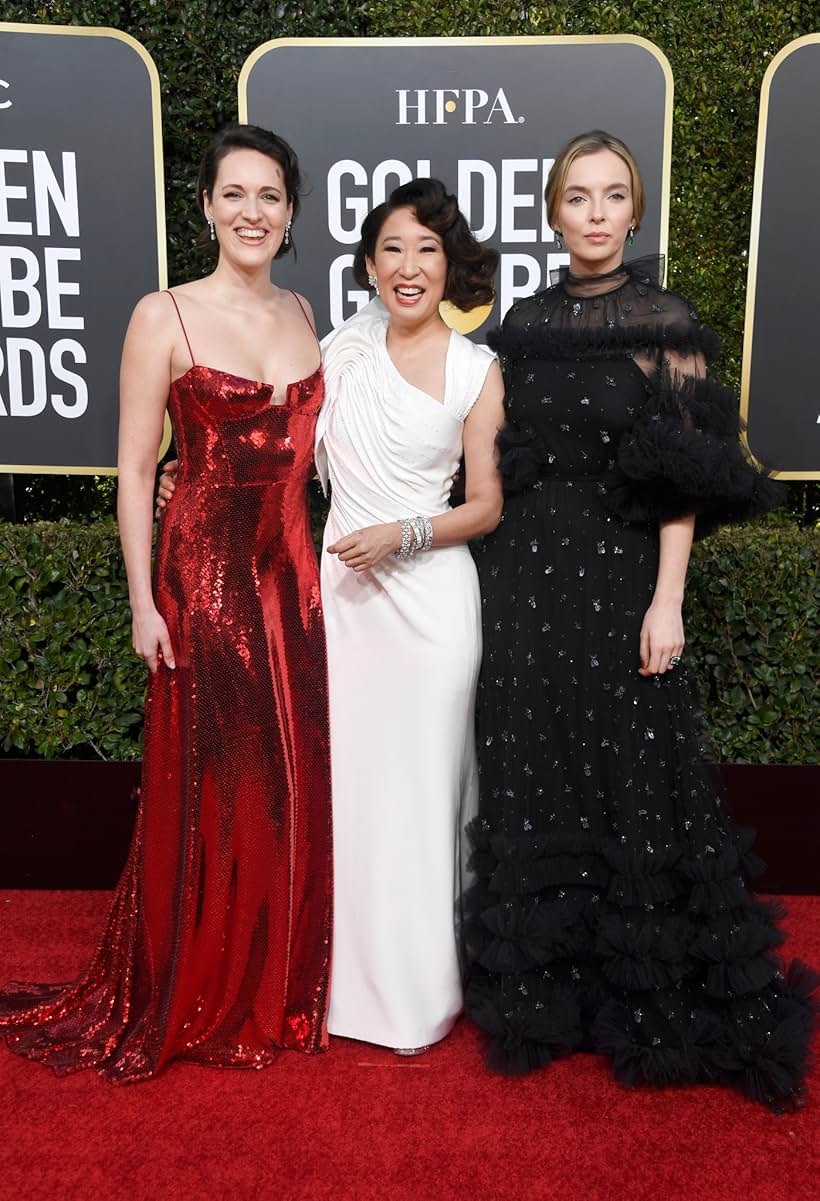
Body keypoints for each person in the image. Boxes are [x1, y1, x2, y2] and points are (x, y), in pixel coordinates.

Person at [464, 130, 816, 1107]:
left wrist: (667, 600)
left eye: (612, 196)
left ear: (634, 210)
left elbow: (684, 478)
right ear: (553, 211)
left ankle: (641, 990)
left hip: (623, 581)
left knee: (634, 779)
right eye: (576, 197)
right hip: (525, 582)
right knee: (537, 772)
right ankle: (551, 994)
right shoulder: (522, 323)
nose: (594, 214)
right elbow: (483, 456)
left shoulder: (665, 321)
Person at [0, 124, 333, 1082]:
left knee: (292, 770)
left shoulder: (308, 311)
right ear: (204, 207)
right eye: (234, 194)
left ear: (291, 211)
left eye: (269, 195)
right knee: (227, 782)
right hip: (209, 572)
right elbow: (134, 465)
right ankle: (203, 985)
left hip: (294, 576)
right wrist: (145, 600)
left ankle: (277, 983)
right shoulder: (164, 316)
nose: (252, 212)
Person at [317, 179, 505, 1053]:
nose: (409, 266)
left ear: (449, 265)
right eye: (393, 248)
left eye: (427, 249)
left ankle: (425, 990)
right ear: (367, 264)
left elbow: (487, 507)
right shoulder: (337, 351)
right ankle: (346, 984)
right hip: (347, 605)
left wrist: (407, 532)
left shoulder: (477, 369)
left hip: (431, 603)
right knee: (356, 793)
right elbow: (272, 445)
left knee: (425, 797)